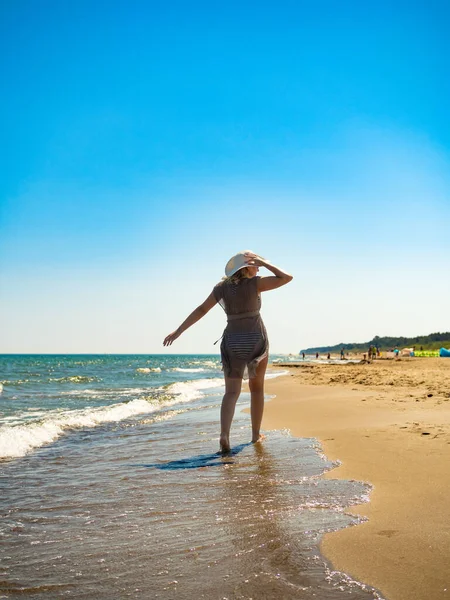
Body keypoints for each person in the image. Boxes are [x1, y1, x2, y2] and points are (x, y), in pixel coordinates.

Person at [163, 251, 293, 453]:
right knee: (257, 389)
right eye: (255, 264)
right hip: (255, 339)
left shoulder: (221, 288)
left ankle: (224, 434)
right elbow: (287, 278)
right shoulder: (256, 283)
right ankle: (255, 434)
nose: (257, 268)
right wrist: (266, 264)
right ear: (246, 267)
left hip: (232, 340)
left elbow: (201, 310)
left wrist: (178, 331)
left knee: (231, 392)